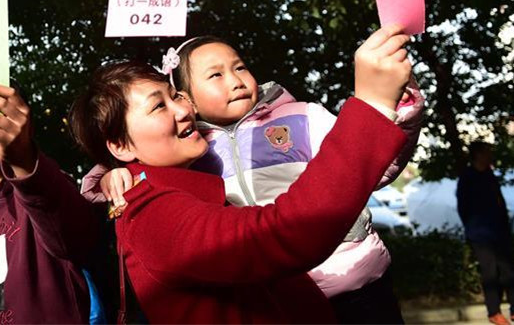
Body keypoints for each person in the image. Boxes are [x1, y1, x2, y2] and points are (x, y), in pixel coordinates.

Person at [69, 25, 414, 323]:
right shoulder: (154, 214)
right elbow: (281, 234)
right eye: (159, 106)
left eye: (175, 96)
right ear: (119, 146)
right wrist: (371, 106)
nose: (183, 110)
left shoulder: (296, 119)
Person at [0, 84, 99, 324]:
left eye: (2, 112)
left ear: (26, 125)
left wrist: (23, 157)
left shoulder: (48, 189)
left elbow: (73, 239)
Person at [457, 141, 514, 325]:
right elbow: (463, 208)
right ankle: (494, 312)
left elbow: (499, 201)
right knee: (490, 273)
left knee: (509, 271)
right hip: (480, 234)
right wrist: (472, 231)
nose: (490, 155)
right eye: (487, 152)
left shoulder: (489, 174)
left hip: (499, 231)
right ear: (478, 154)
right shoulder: (468, 177)